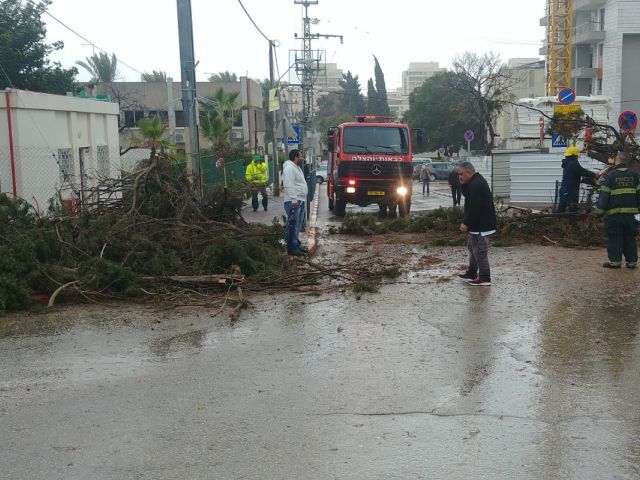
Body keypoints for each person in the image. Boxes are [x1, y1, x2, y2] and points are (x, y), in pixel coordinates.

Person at [595, 151, 640, 269]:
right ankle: (631, 262)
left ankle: (615, 262)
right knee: (630, 238)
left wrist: (599, 212)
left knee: (615, 238)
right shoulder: (634, 176)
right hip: (630, 216)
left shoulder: (610, 176)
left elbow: (604, 196)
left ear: (617, 161)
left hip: (614, 215)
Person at [457, 162, 497, 286]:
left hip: (482, 225)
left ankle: (485, 277)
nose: (459, 177)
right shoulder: (474, 182)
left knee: (480, 251)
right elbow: (468, 195)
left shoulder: (477, 184)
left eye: (461, 174)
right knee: (472, 248)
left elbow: (475, 208)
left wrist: (466, 223)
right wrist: (463, 184)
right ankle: (472, 273)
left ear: (469, 172)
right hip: (478, 225)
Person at [282, 149, 309, 256]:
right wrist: (293, 199)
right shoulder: (289, 168)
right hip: (293, 201)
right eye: (301, 156)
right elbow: (288, 184)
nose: (302, 158)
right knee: (293, 225)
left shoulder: (297, 168)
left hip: (300, 200)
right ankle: (292, 248)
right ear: (295, 157)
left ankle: (296, 245)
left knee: (297, 225)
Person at [556, 146, 596, 216]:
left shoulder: (567, 163)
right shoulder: (573, 163)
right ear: (574, 155)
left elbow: (575, 174)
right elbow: (583, 171)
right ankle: (573, 226)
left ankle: (556, 223)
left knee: (560, 211)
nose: (578, 157)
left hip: (563, 190)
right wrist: (595, 175)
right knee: (573, 212)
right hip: (570, 191)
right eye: (577, 156)